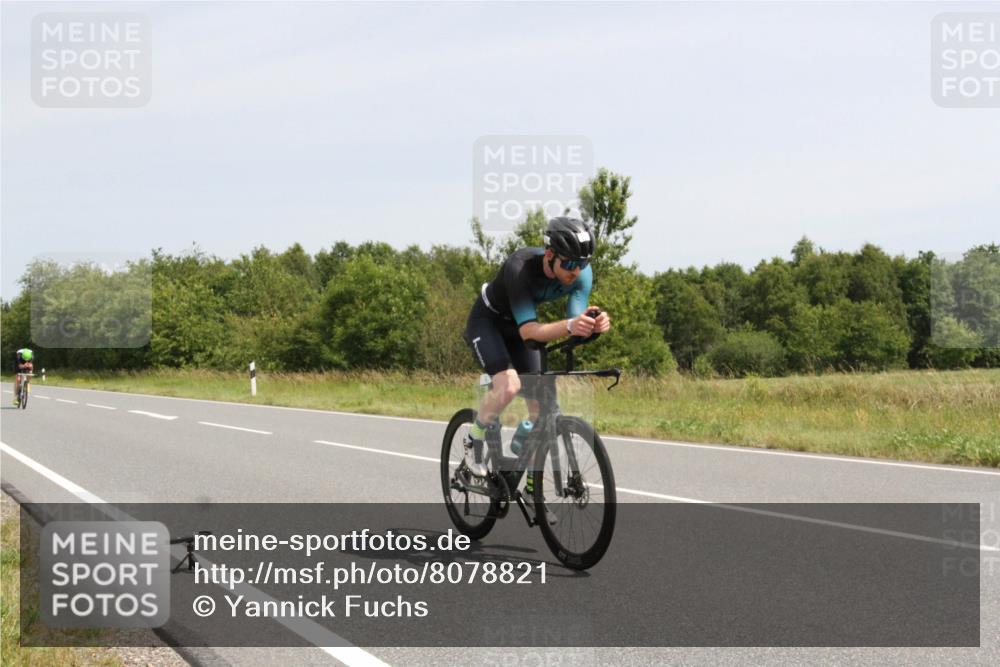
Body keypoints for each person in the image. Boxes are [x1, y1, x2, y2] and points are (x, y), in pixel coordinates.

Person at [462, 217, 611, 481]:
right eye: (569, 264)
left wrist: (593, 324)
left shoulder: (580, 274)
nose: (576, 271)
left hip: (523, 329)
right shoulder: (519, 268)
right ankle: (474, 439)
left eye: (583, 264)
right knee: (508, 386)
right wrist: (570, 325)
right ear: (550, 254)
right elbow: (530, 333)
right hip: (489, 323)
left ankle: (533, 489)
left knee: (542, 411)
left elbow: (574, 323)